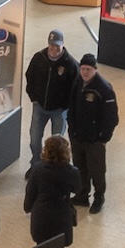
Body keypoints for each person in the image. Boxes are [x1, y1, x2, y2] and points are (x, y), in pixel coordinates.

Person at [66, 53, 120, 215]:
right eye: (83, 69)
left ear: (95, 70)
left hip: (95, 140)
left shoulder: (104, 88)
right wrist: (72, 129)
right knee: (80, 167)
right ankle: (82, 194)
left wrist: (103, 138)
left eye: (88, 69)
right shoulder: (77, 83)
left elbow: (112, 117)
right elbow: (72, 107)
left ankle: (99, 197)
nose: (85, 72)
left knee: (96, 170)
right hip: (77, 136)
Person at [24, 29, 79, 162]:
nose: (54, 48)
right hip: (39, 107)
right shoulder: (39, 58)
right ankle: (36, 165)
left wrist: (65, 106)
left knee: (57, 144)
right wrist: (34, 98)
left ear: (63, 44)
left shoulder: (70, 64)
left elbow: (75, 88)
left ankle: (53, 167)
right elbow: (29, 76)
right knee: (34, 140)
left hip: (59, 111)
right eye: (52, 44)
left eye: (57, 45)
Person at [24, 135, 86, 247]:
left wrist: (27, 207)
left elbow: (30, 192)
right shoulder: (72, 171)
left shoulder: (38, 168)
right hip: (61, 216)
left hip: (41, 216)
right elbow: (77, 189)